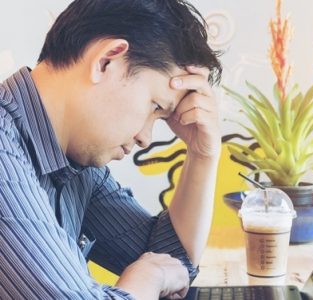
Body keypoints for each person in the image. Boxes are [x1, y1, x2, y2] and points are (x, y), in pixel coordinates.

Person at [0, 0, 222, 299]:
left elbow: (174, 263)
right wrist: (149, 275)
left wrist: (202, 155)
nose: (146, 138)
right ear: (106, 61)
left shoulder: (78, 166)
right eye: (155, 106)